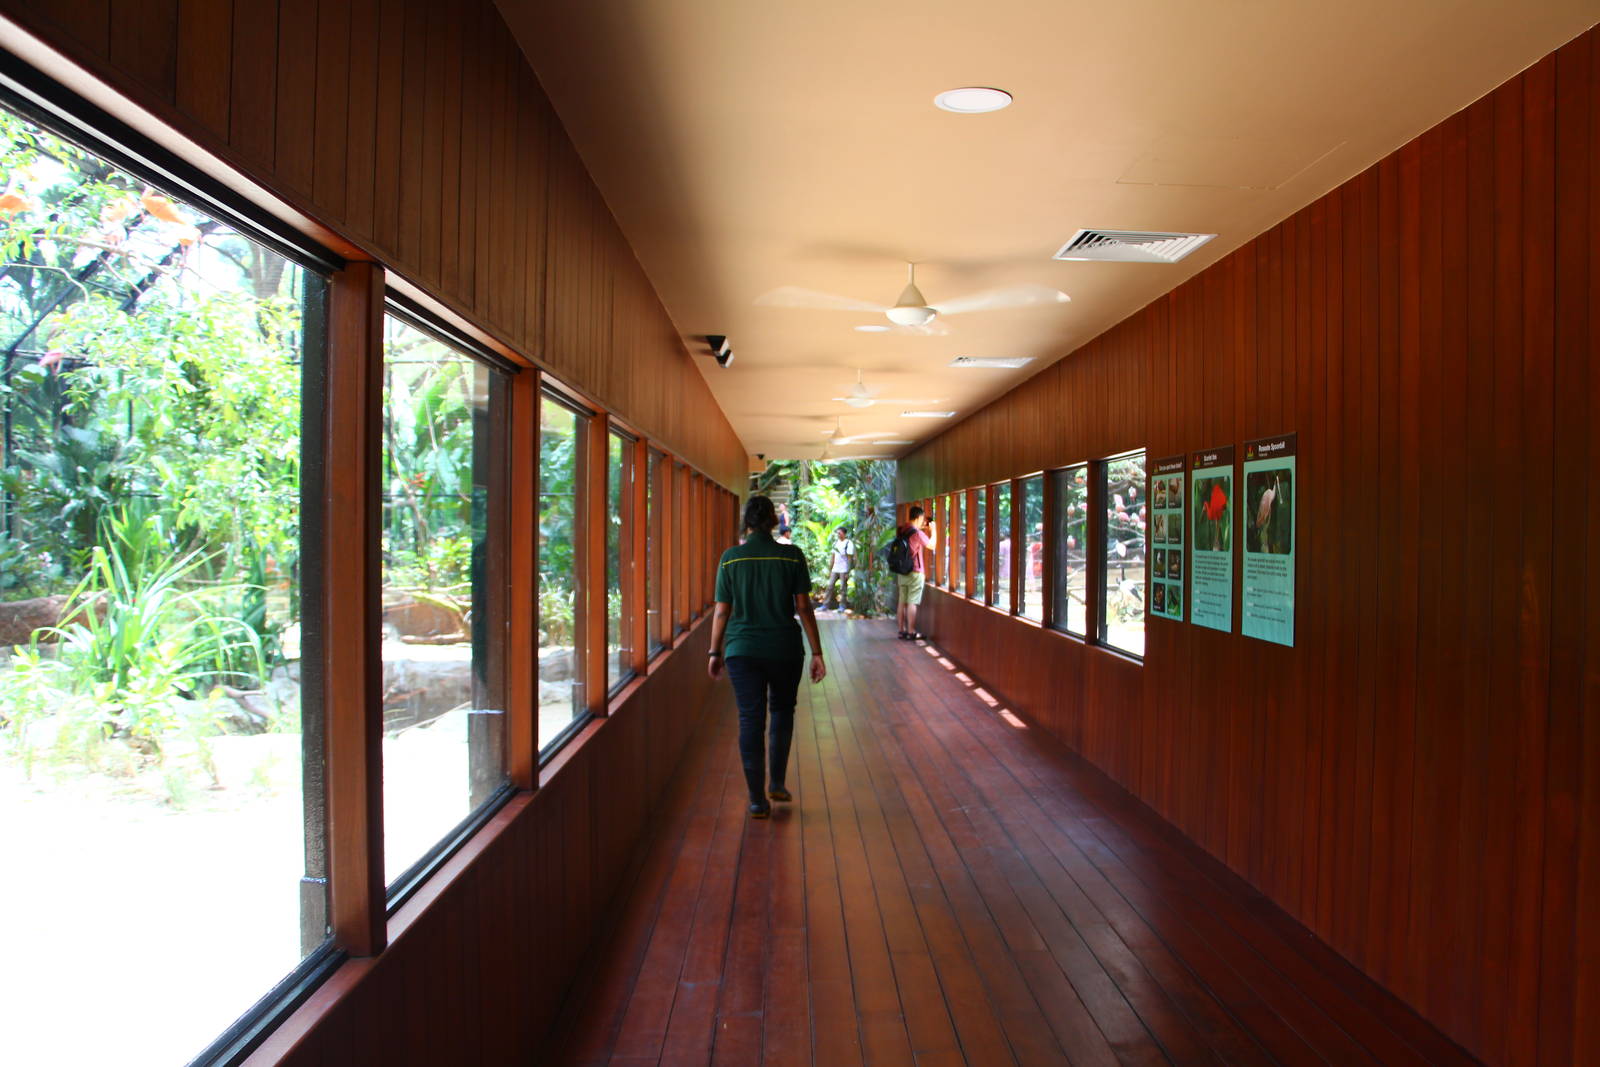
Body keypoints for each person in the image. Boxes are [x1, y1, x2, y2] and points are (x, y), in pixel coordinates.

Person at [707, 495, 826, 819]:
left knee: (750, 719)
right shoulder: (791, 556)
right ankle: (777, 782)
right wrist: (817, 652)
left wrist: (715, 651)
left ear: (747, 522)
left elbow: (722, 611)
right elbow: (803, 607)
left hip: (742, 651)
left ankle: (757, 800)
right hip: (784, 649)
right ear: (774, 521)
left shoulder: (731, 559)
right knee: (783, 712)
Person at [896, 505, 936, 640]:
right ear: (919, 517)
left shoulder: (901, 530)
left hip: (901, 571)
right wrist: (934, 530)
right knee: (912, 602)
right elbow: (932, 545)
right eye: (922, 519)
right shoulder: (918, 534)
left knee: (902, 602)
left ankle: (901, 631)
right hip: (915, 571)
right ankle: (911, 632)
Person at [824, 526, 855, 611]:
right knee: (830, 586)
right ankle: (825, 605)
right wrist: (830, 570)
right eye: (837, 533)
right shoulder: (835, 543)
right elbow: (833, 557)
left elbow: (849, 558)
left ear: (844, 534)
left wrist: (848, 572)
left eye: (839, 533)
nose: (838, 534)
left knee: (843, 588)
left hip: (844, 569)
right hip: (835, 569)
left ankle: (842, 606)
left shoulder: (848, 543)